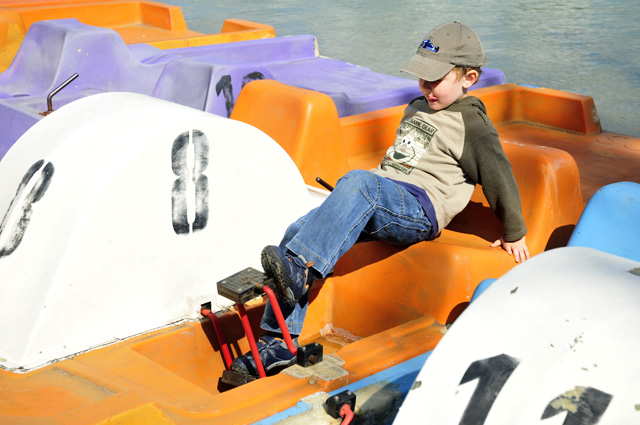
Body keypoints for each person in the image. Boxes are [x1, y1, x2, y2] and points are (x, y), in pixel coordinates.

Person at [231, 21, 530, 377]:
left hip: (419, 208)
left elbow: (498, 174)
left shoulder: (472, 124)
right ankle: (279, 341)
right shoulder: (418, 107)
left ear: (469, 78)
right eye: (422, 78)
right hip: (385, 197)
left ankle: (299, 272)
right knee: (298, 229)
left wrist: (514, 232)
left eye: (436, 79)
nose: (427, 87)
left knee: (359, 184)